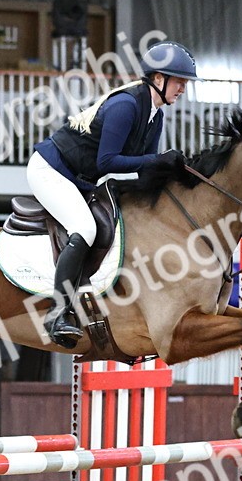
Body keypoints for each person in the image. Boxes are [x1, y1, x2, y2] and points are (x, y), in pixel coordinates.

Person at [27, 41, 197, 347]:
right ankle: (57, 313)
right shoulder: (127, 106)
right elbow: (109, 161)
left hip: (81, 180)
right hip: (51, 170)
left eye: (184, 83)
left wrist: (180, 176)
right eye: (179, 81)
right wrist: (157, 160)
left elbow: (146, 169)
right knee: (85, 228)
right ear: (159, 79)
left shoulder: (155, 115)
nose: (183, 89)